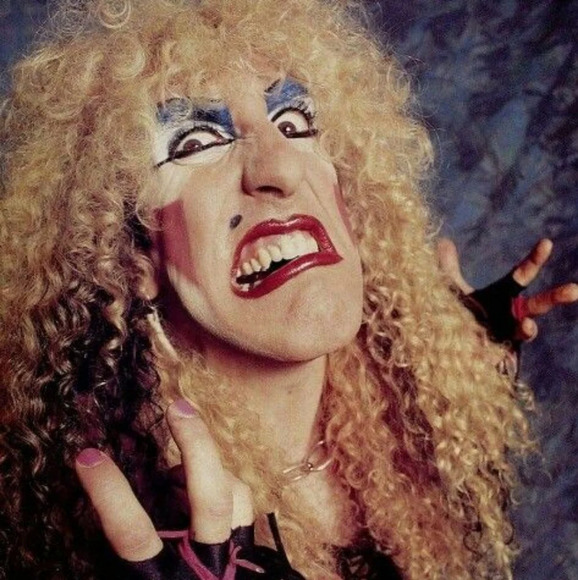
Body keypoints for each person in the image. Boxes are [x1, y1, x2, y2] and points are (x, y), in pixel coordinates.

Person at [0, 0, 576, 578]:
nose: (281, 166)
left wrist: (456, 365)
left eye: (295, 123)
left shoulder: (415, 432)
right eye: (195, 141)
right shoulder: (108, 526)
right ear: (134, 257)